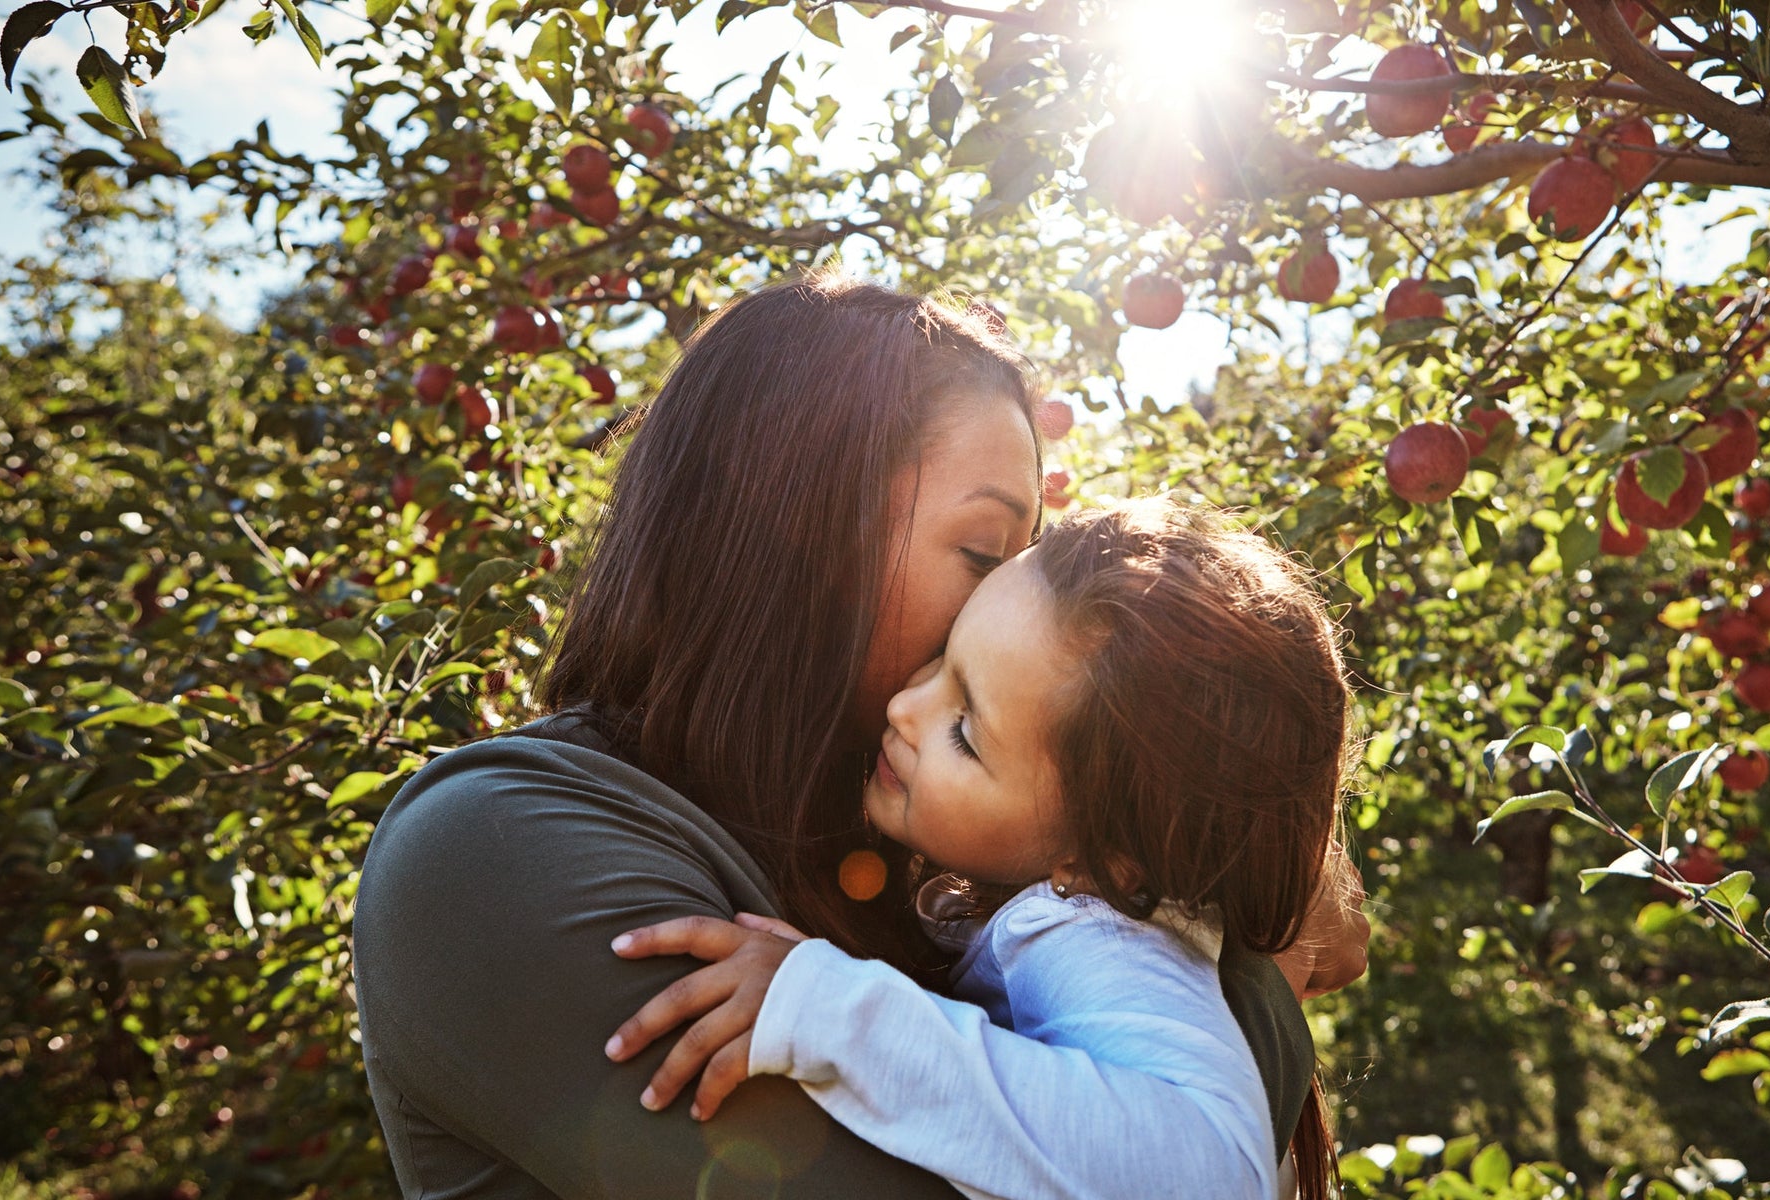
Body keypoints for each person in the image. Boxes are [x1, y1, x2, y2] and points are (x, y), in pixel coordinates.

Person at [351, 271, 1367, 1199]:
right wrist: (1261, 973)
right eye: (982, 553)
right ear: (789, 525)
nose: (1006, 619)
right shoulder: (493, 851)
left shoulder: (933, 860)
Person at [604, 501, 1356, 1199]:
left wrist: (823, 1009)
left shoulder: (1089, 936)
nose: (905, 707)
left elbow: (1208, 1177)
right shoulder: (1065, 865)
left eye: (965, 733)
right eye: (941, 661)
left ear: (1100, 862)